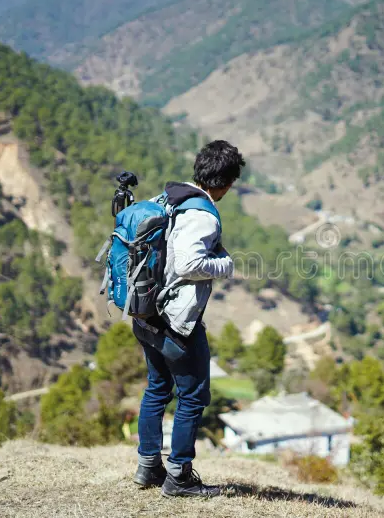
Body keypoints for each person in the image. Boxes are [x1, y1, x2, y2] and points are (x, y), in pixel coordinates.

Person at [132, 140, 244, 498]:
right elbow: (189, 264)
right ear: (225, 182)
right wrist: (224, 265)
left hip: (146, 310)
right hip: (175, 322)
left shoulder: (170, 198)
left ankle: (149, 466)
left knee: (157, 388)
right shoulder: (202, 213)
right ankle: (178, 477)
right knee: (194, 395)